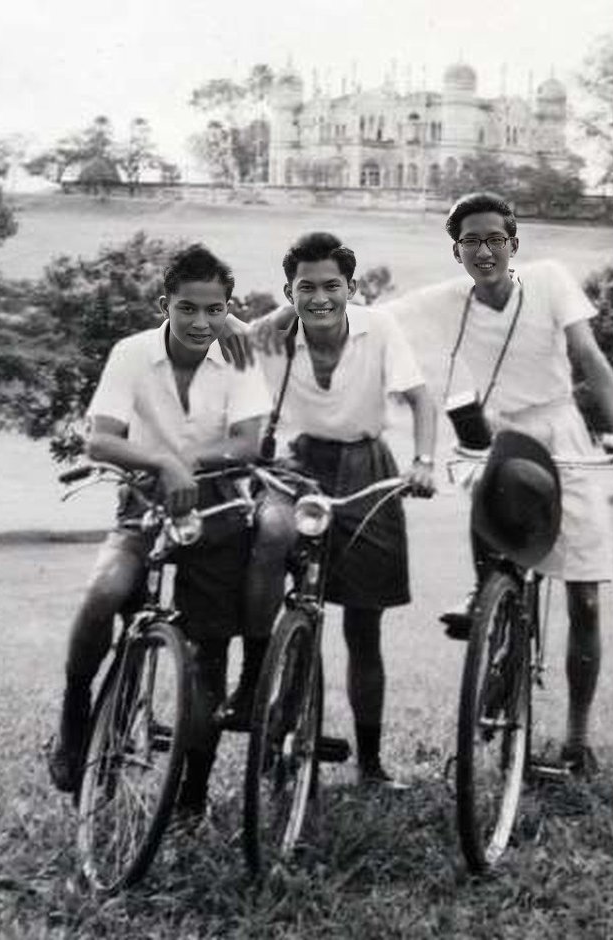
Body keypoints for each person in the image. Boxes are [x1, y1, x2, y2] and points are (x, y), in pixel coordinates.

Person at [379, 192, 613, 779]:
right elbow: (367, 316)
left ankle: (576, 739)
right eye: (470, 241)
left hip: (562, 432)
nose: (483, 250)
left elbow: (589, 358)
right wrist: (280, 314)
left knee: (586, 597)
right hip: (501, 437)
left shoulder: (549, 280)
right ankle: (490, 616)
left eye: (494, 238)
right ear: (458, 251)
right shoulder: (448, 301)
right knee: (494, 550)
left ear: (513, 244)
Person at [47, 244, 289, 818]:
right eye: (187, 308)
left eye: (213, 310)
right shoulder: (131, 353)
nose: (201, 322)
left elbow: (249, 442)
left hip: (217, 512)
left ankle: (192, 793)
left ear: (226, 309)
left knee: (208, 651)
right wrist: (161, 463)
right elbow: (99, 439)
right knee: (105, 591)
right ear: (165, 305)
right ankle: (75, 713)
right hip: (145, 502)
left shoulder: (238, 358)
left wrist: (189, 463)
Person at [220, 232, 438, 787]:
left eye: (331, 286)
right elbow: (213, 328)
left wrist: (424, 461)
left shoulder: (379, 328)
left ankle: (369, 765)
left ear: (352, 288)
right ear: (289, 291)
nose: (320, 298)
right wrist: (269, 316)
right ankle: (257, 689)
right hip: (300, 463)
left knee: (364, 627)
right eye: (305, 287)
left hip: (368, 465)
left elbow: (420, 397)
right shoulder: (271, 337)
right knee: (280, 567)